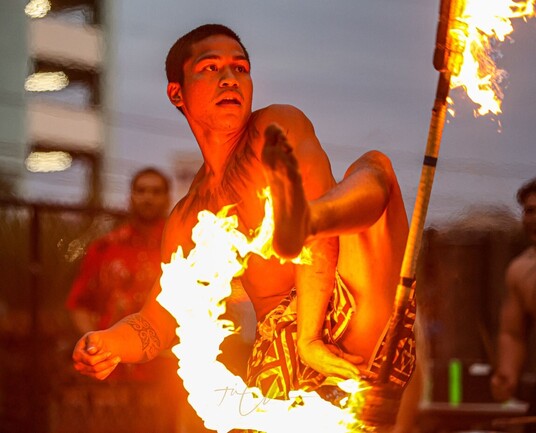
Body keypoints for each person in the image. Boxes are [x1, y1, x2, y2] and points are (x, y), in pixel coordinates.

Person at [72, 24, 420, 431]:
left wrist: (310, 336)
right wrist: (108, 342)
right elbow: (157, 322)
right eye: (210, 68)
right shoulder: (188, 219)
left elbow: (323, 245)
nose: (229, 79)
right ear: (177, 93)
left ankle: (310, 220)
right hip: (282, 366)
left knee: (374, 166)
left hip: (349, 317)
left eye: (240, 68)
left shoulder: (275, 128)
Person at [66, 167, 184, 433]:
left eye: (156, 191)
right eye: (141, 191)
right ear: (130, 197)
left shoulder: (182, 248)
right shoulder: (105, 248)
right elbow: (79, 306)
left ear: (167, 198)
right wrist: (100, 347)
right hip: (113, 377)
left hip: (168, 375)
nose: (148, 198)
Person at [491, 177, 536, 432]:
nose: (535, 219)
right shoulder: (520, 271)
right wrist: (507, 372)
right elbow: (513, 333)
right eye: (530, 211)